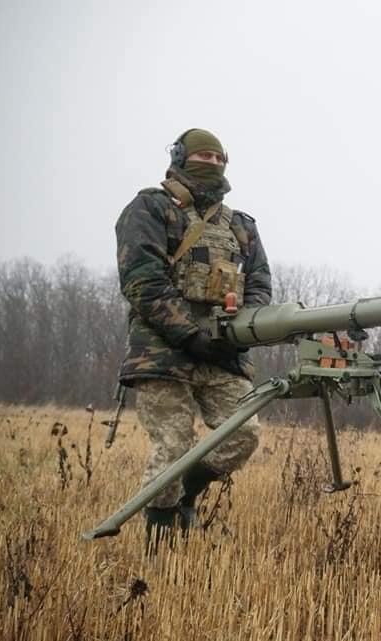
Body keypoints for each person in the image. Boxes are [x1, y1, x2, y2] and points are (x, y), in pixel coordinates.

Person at [115, 128, 272, 554]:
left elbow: (259, 284)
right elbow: (142, 283)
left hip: (222, 353)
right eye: (203, 156)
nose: (212, 165)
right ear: (182, 158)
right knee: (174, 443)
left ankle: (182, 495)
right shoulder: (150, 208)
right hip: (162, 352)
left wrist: (242, 329)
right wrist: (189, 333)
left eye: (219, 159)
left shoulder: (240, 226)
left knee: (244, 436)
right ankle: (160, 544)